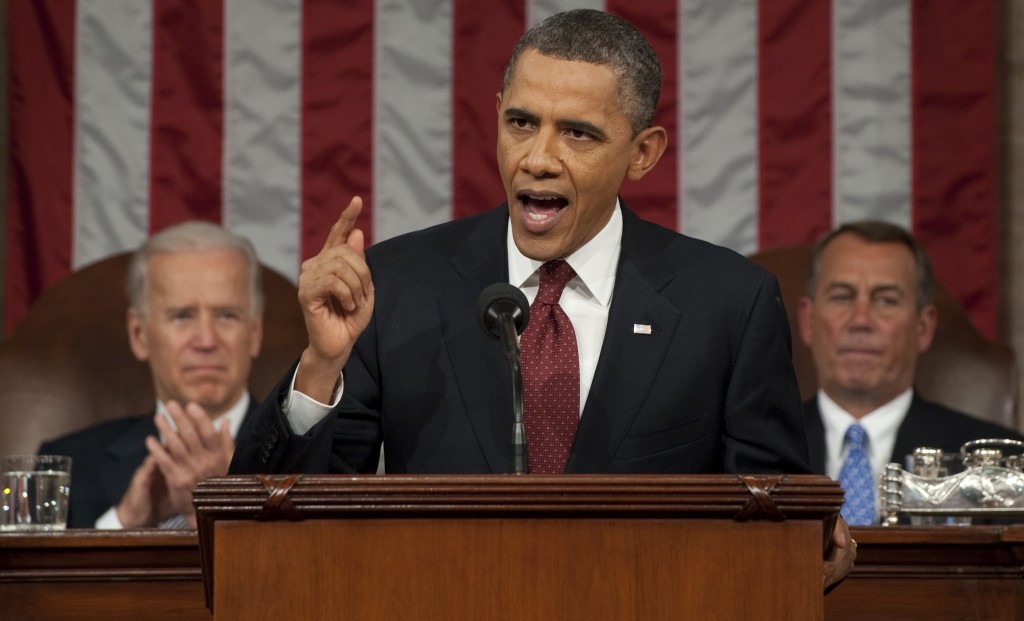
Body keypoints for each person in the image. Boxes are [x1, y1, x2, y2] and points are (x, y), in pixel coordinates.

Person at [230, 9, 854, 588]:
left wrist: (805, 545)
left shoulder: (727, 303)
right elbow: (285, 518)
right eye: (521, 122)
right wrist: (320, 368)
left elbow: (776, 520)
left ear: (643, 153)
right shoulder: (398, 284)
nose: (539, 158)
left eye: (577, 133)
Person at [39, 221, 264, 528]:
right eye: (182, 316)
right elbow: (37, 576)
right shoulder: (69, 467)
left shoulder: (311, 460)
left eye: (227, 315)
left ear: (254, 333)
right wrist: (123, 525)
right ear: (139, 334)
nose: (207, 340)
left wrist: (227, 507)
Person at [798, 220, 1024, 524]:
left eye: (886, 300)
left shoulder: (1003, 470)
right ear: (808, 319)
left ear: (923, 327)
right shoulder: (755, 451)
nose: (860, 320)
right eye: (842, 296)